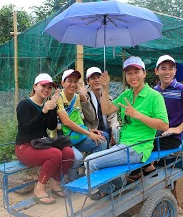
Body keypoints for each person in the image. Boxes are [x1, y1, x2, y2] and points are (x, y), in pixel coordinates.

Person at [85, 56, 169, 200]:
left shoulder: (154, 96)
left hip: (138, 148)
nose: (133, 76)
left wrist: (138, 115)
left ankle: (111, 189)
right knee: (94, 162)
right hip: (123, 145)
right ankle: (119, 185)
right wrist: (105, 89)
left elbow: (164, 125)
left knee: (89, 162)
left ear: (144, 73)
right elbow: (106, 109)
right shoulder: (127, 95)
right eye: (129, 73)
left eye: (136, 72)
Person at [15, 73, 75, 205]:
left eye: (49, 87)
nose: (46, 89)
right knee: (55, 154)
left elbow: (51, 126)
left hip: (41, 145)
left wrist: (52, 108)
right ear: (35, 86)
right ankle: (39, 188)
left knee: (69, 153)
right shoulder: (24, 105)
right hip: (24, 147)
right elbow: (27, 129)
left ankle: (55, 183)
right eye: (43, 86)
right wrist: (43, 112)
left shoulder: (46, 105)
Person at [141, 55, 183, 175]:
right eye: (163, 68)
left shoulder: (182, 89)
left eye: (171, 68)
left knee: (138, 145)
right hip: (155, 133)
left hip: (171, 137)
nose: (167, 72)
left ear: (175, 71)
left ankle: (146, 168)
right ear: (156, 71)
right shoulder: (154, 91)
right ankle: (147, 168)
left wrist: (179, 128)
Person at [57, 69, 107, 181]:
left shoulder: (78, 97)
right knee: (78, 157)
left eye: (75, 81)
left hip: (77, 137)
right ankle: (73, 178)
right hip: (63, 140)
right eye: (69, 81)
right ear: (62, 83)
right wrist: (89, 133)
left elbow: (82, 119)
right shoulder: (58, 98)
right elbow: (66, 121)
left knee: (102, 141)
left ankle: (89, 174)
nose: (73, 84)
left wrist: (90, 130)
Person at [84, 66, 120, 146]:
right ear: (87, 82)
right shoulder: (84, 97)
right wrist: (84, 101)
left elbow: (112, 116)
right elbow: (90, 118)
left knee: (118, 133)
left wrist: (115, 131)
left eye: (99, 77)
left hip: (106, 129)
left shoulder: (107, 96)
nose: (97, 80)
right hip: (92, 130)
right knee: (105, 136)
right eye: (93, 78)